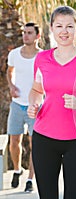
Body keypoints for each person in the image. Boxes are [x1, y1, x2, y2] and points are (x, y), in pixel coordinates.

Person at [27, 6, 76, 199]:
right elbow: (36, 90)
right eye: (59, 26)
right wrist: (34, 104)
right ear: (52, 28)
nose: (64, 31)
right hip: (44, 138)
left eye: (69, 26)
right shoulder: (42, 58)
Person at [6, 22, 42, 192]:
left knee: (35, 143)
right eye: (24, 33)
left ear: (37, 36)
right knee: (14, 141)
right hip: (17, 104)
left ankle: (30, 179)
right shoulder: (14, 54)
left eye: (29, 33)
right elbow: (9, 71)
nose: (25, 36)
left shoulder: (42, 56)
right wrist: (11, 86)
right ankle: (17, 170)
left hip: (36, 107)